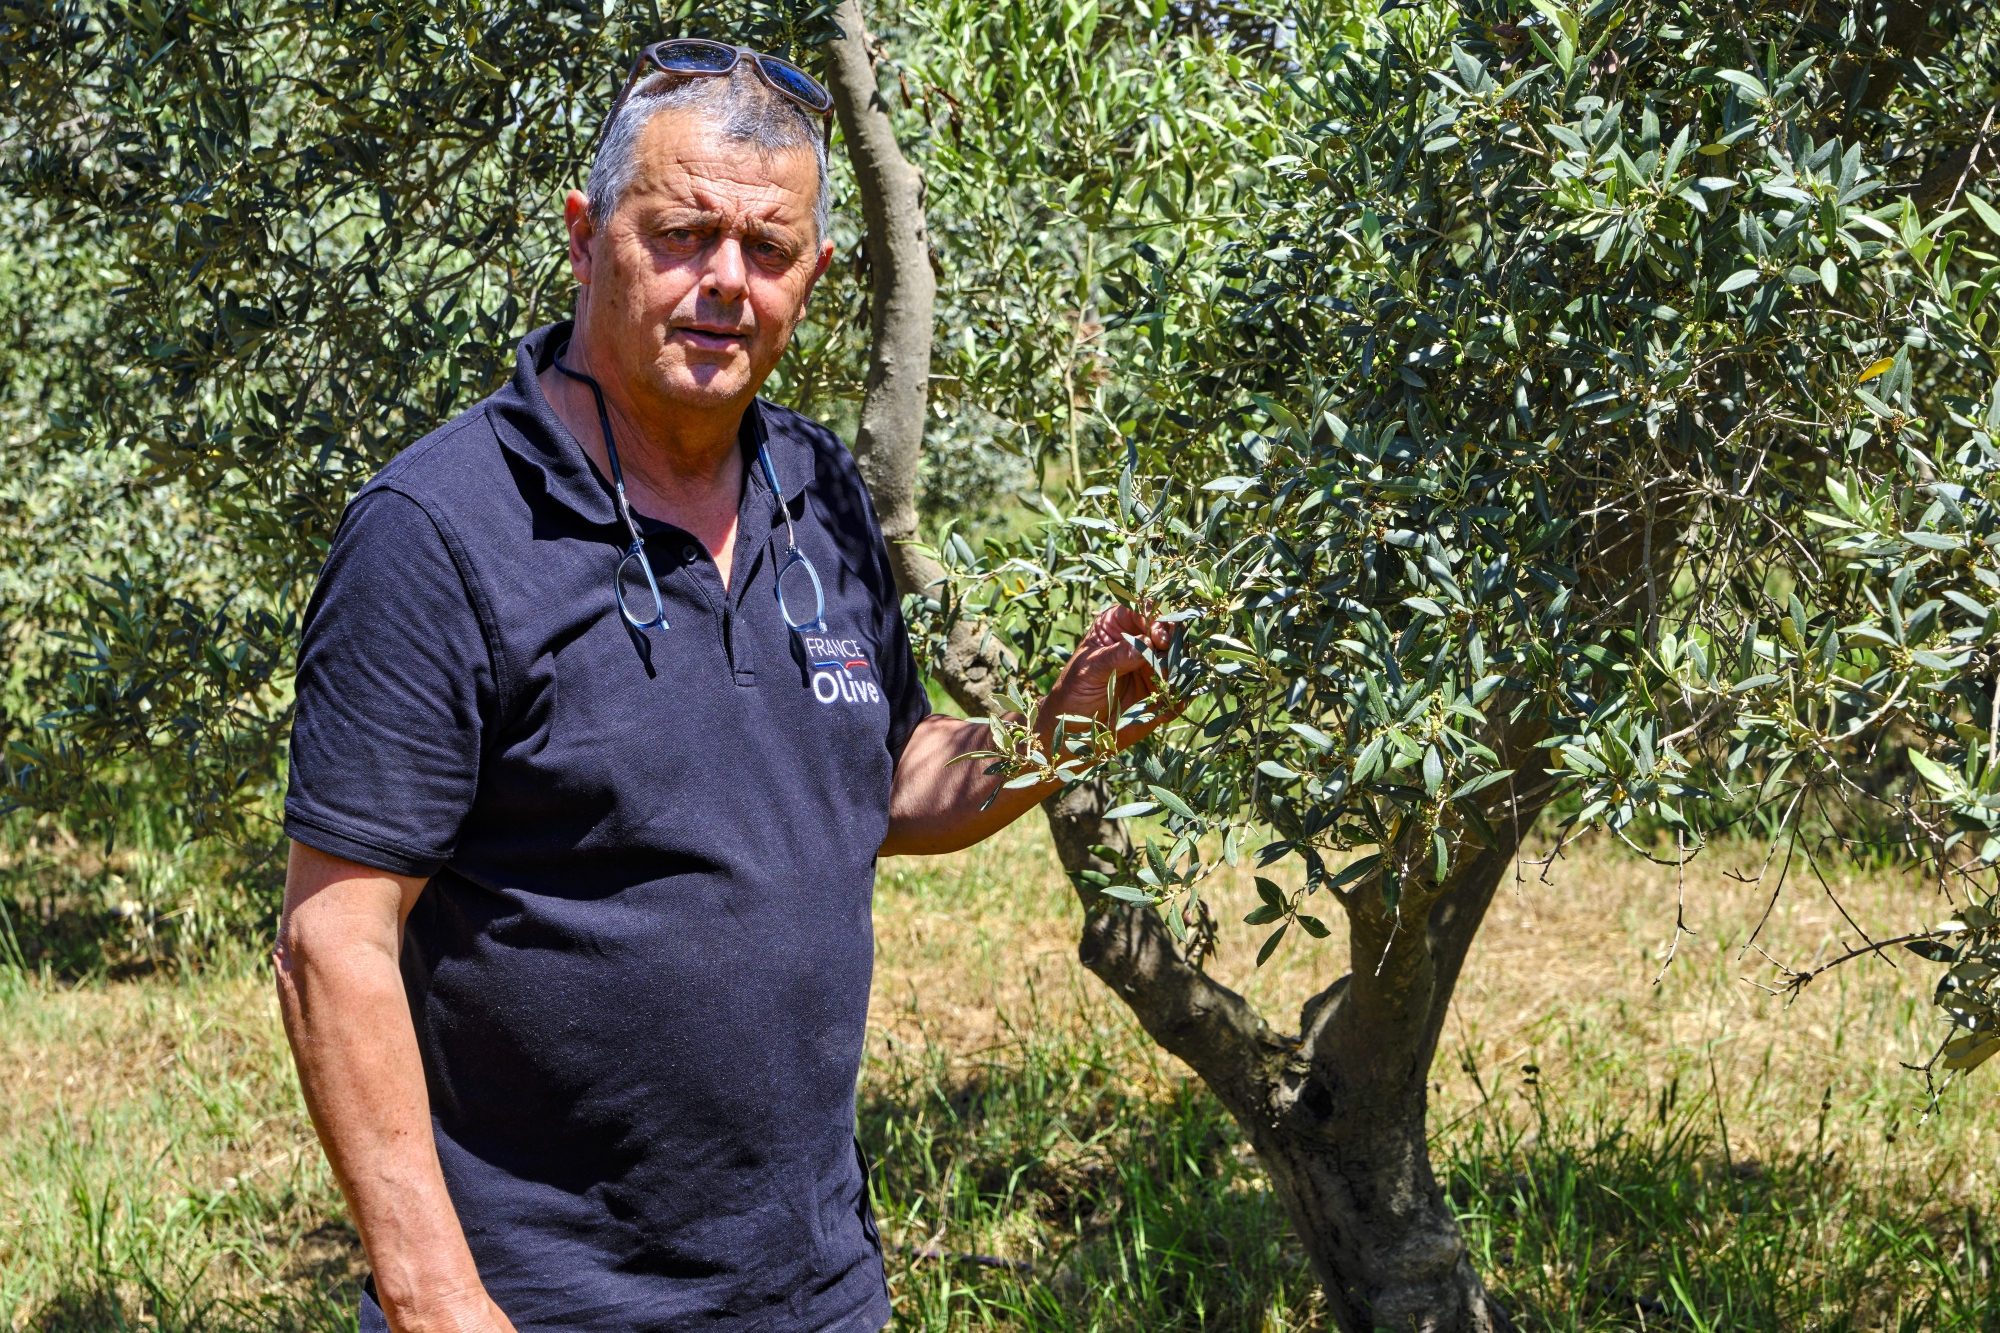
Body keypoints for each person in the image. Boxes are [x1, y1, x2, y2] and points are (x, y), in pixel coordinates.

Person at [275, 39, 1169, 1333]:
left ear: (816, 273)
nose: (725, 283)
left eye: (767, 248)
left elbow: (881, 777)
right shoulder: (439, 532)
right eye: (683, 235)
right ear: (586, 239)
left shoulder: (816, 486)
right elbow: (332, 941)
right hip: (541, 1304)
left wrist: (1054, 735)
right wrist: (434, 1299)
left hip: (815, 1290)